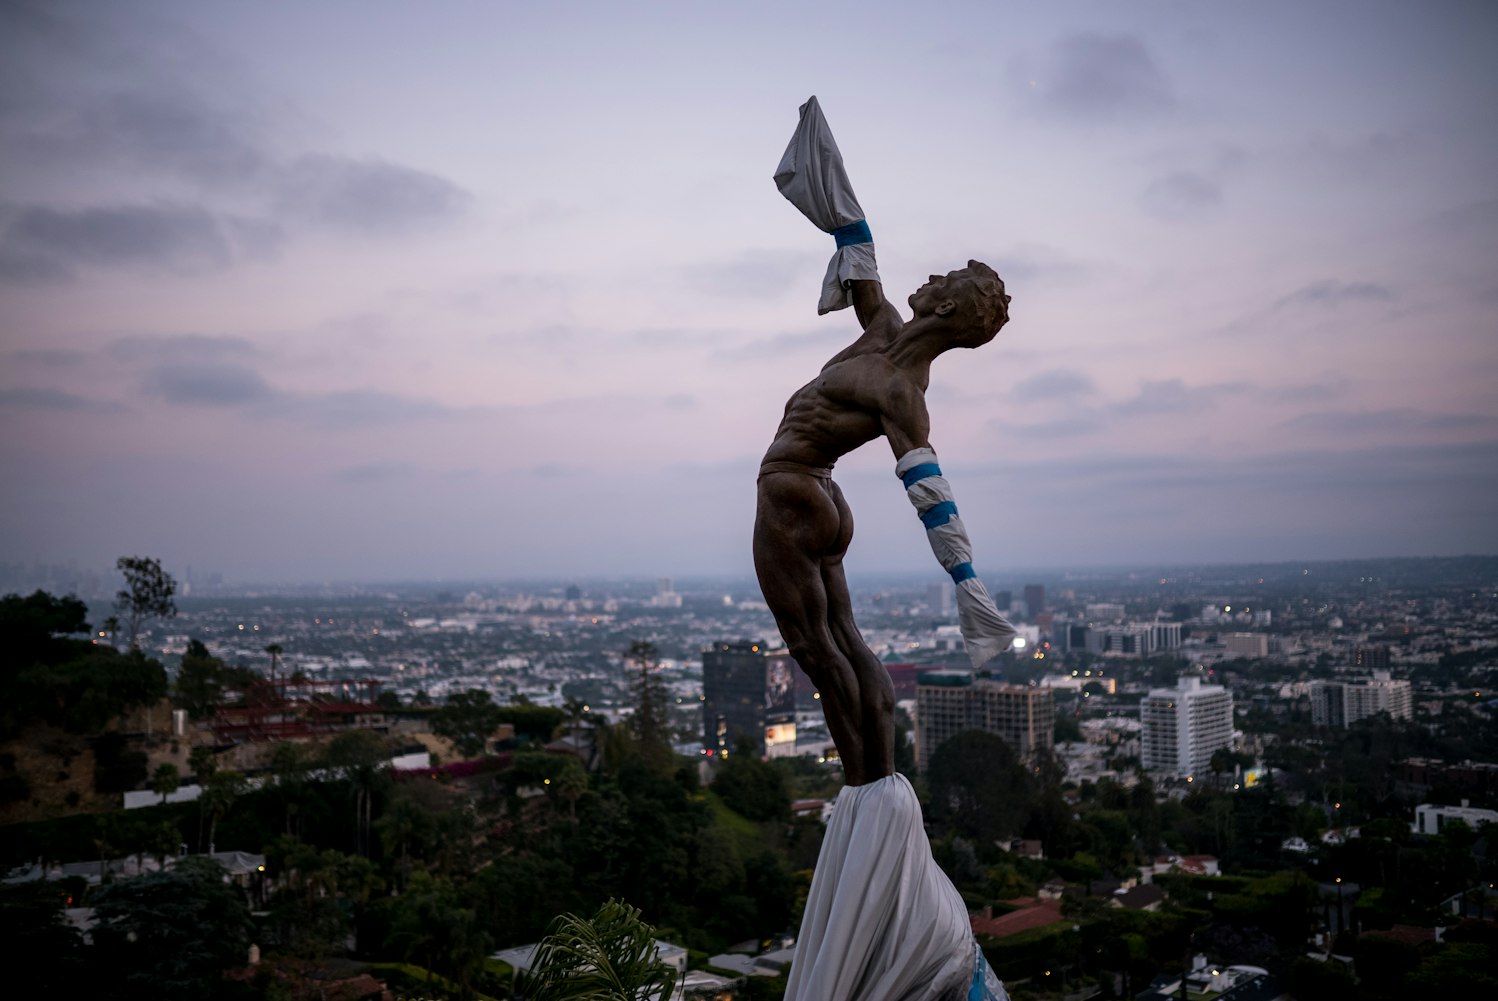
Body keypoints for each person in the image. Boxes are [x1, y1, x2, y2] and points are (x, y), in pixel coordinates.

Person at [752, 262, 1011, 786]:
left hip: (792, 489)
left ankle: (864, 784)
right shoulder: (885, 333)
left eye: (947, 279)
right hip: (822, 493)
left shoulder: (902, 393)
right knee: (843, 637)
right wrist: (830, 185)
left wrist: (965, 578)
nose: (935, 275)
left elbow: (930, 493)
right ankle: (879, 778)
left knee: (815, 649)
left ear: (943, 308)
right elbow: (860, 260)